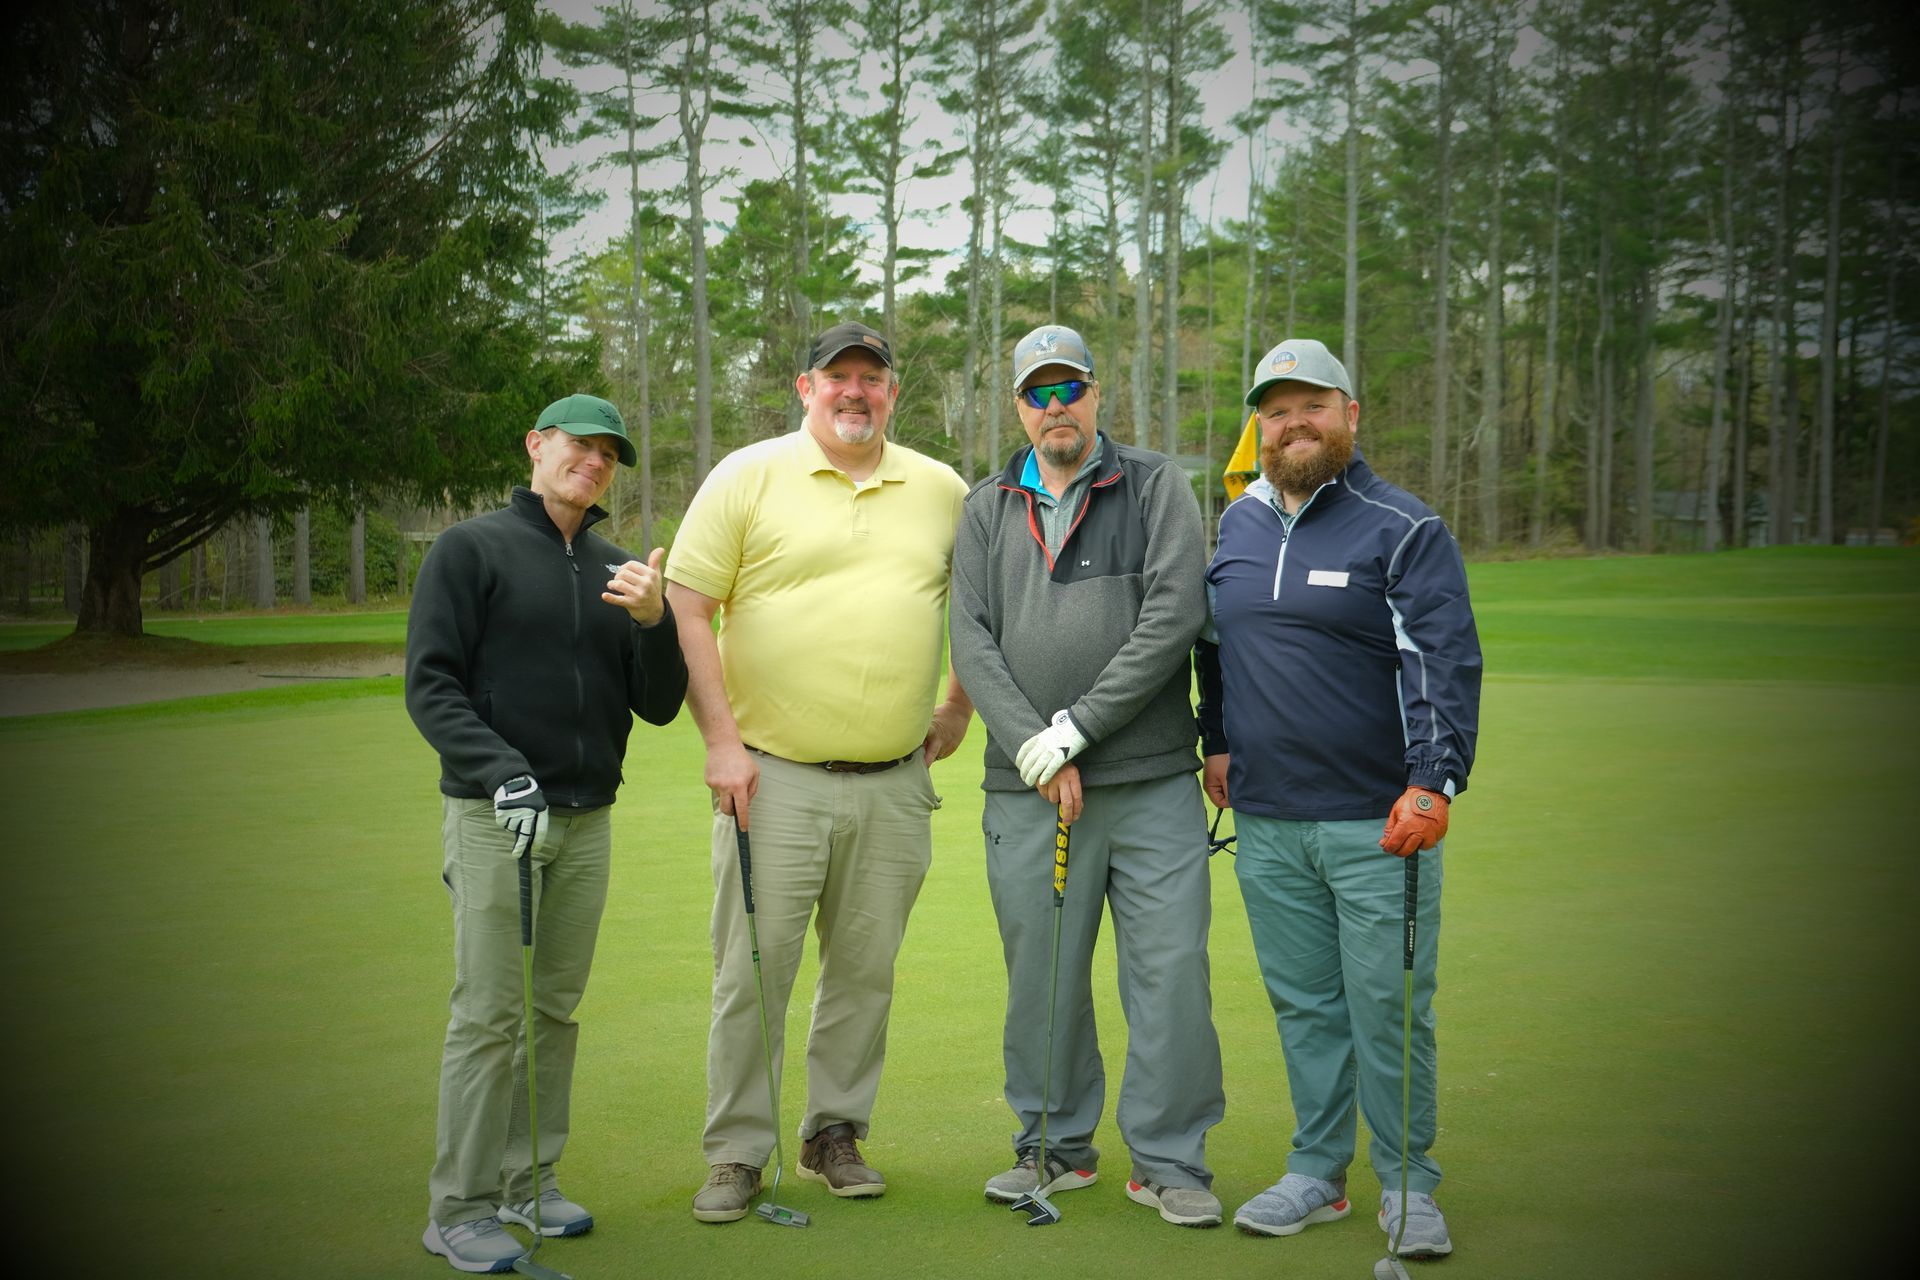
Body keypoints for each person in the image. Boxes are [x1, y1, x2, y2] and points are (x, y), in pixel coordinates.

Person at [665, 321, 973, 1223]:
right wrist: (720, 743)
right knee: (754, 970)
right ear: (805, 388)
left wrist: (957, 704)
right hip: (773, 775)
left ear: (892, 392)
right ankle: (736, 1153)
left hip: (893, 779)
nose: (854, 392)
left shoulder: (942, 488)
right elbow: (688, 609)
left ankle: (832, 1133)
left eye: (871, 379)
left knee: (865, 974)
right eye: (837, 377)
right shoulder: (747, 475)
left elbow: (986, 610)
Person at [1196, 338, 1481, 1256]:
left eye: (1311, 403)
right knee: (1307, 1007)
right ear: (1260, 426)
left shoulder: (1401, 527)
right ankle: (1319, 1172)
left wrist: (1433, 781)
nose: (1294, 423)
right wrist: (1219, 743)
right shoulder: (1236, 524)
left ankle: (1408, 1184)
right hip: (1270, 823)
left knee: (1388, 1005)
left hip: (1377, 822)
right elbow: (1213, 647)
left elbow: (1446, 662)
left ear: (1349, 412)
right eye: (1276, 410)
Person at [948, 324, 1227, 1228]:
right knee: (1046, 977)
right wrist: (1035, 743)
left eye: (1070, 388)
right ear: (1018, 406)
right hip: (1025, 788)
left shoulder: (1153, 485)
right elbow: (971, 638)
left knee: (1171, 972)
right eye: (1038, 392)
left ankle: (1171, 1159)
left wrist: (1077, 730)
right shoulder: (988, 504)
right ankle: (1053, 1147)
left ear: (1098, 394)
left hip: (1148, 782)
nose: (1055, 406)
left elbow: (1175, 613)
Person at [406, 393, 688, 1273]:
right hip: (496, 818)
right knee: (490, 1014)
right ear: (537, 445)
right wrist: (501, 771)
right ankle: (459, 1206)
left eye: (609, 453)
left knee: (553, 1010)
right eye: (580, 444)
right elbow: (432, 686)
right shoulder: (470, 549)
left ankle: (530, 1182)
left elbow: (659, 703)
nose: (595, 462)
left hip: (586, 818)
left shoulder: (614, 570)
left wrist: (655, 622)